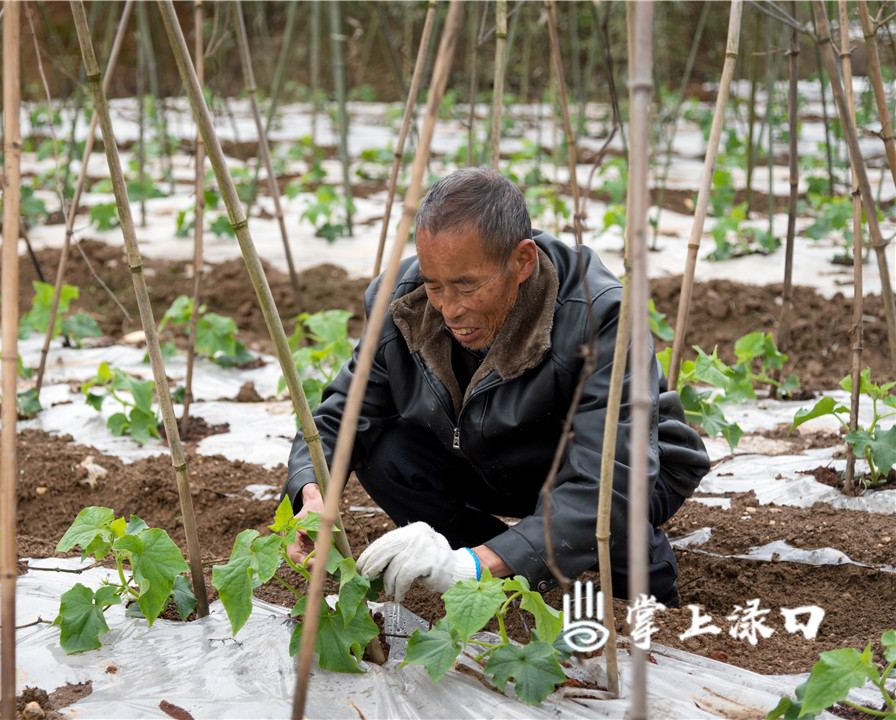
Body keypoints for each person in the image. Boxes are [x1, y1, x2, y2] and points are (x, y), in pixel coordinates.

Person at [283, 167, 710, 607]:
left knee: (610, 511)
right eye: (435, 285)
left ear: (523, 261)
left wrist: (469, 566)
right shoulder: (402, 304)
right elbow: (343, 415)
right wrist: (311, 496)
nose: (449, 309)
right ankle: (500, 570)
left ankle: (643, 578)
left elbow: (612, 476)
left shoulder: (601, 316)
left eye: (467, 285)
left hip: (626, 469)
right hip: (488, 457)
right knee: (386, 453)